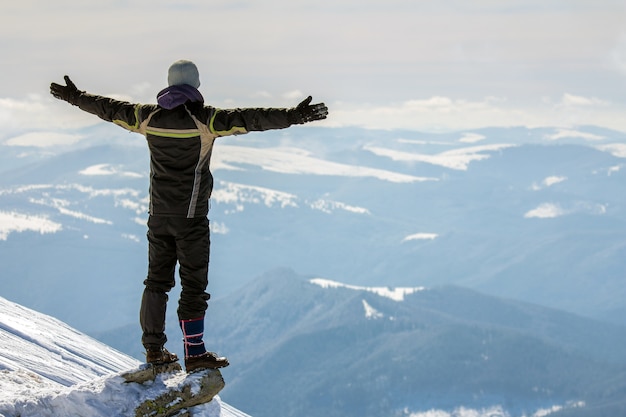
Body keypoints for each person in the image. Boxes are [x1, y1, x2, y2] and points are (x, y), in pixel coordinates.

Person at [50, 60, 328, 372]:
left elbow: (109, 108)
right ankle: (195, 354)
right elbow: (251, 119)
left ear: (169, 84)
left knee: (156, 281)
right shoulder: (205, 120)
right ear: (195, 86)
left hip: (158, 215)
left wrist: (75, 97)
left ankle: (154, 350)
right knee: (193, 286)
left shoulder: (147, 117)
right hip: (191, 218)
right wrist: (296, 116)